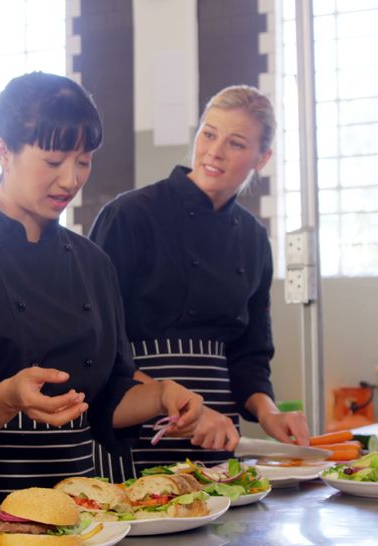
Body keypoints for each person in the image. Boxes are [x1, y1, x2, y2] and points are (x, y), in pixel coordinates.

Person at [0, 71, 217, 523]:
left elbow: (107, 400)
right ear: (3, 151)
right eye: (53, 161)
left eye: (83, 161)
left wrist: (162, 393)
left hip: (75, 506)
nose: (70, 179)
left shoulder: (92, 264)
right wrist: (8, 397)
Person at [89, 85, 310, 472]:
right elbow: (100, 341)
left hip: (217, 434)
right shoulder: (130, 216)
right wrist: (167, 398)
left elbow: (249, 353)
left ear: (263, 158)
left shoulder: (253, 238)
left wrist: (270, 413)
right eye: (209, 134)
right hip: (136, 429)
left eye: (236, 143)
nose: (215, 151)